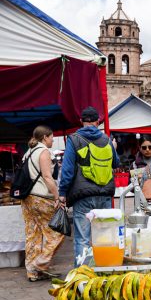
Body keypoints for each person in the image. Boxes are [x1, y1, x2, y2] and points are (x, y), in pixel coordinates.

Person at [58, 107, 120, 266]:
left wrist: (62, 192)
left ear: (81, 121)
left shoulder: (74, 139)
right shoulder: (107, 139)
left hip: (83, 195)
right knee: (104, 236)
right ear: (98, 122)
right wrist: (114, 147)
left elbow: (67, 169)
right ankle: (105, 270)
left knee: (82, 239)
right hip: (105, 194)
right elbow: (116, 163)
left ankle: (82, 276)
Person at [21, 126, 64, 282]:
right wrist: (57, 196)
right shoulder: (44, 152)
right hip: (40, 197)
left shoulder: (28, 153)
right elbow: (47, 176)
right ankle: (41, 263)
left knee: (33, 234)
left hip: (27, 198)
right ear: (45, 137)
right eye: (52, 137)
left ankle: (32, 271)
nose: (53, 140)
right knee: (57, 231)